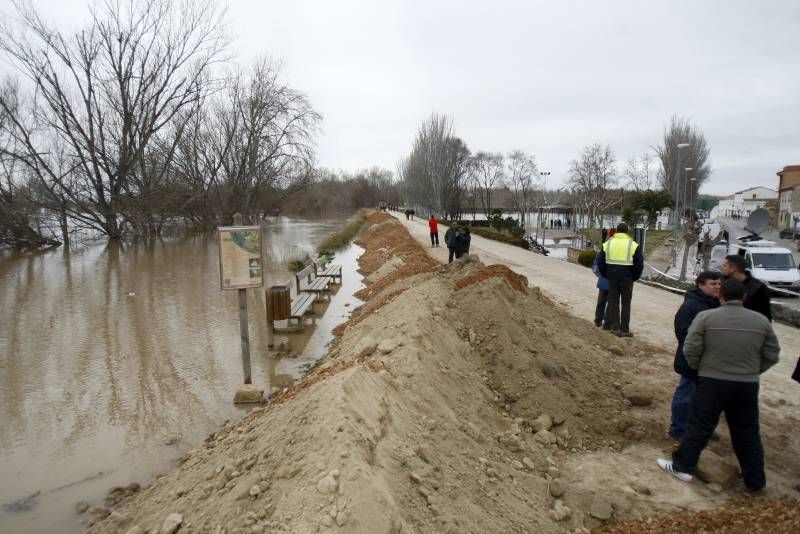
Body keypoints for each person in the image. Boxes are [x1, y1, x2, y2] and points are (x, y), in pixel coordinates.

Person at [657, 279, 780, 491]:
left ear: (720, 296)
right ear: (743, 298)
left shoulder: (707, 317)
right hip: (746, 384)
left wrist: (702, 369)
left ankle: (683, 467)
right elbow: (772, 354)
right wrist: (751, 371)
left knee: (699, 425)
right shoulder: (761, 321)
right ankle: (755, 481)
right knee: (747, 431)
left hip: (712, 381)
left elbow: (691, 349)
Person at [668, 271, 721, 440]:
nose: (717, 287)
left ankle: (700, 427)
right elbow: (683, 332)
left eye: (719, 284)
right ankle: (678, 429)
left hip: (712, 362)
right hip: (692, 360)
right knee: (685, 396)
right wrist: (700, 350)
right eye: (713, 284)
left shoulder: (718, 304)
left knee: (706, 398)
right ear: (701, 284)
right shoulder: (691, 306)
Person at [597, 222, 644, 337]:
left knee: (613, 302)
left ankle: (615, 328)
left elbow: (600, 262)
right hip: (627, 278)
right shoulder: (633, 244)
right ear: (627, 231)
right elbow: (639, 264)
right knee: (626, 303)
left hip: (612, 277)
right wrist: (634, 277)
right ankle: (624, 330)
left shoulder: (608, 243)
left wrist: (606, 274)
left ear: (616, 231)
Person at [721, 254, 771, 321]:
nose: (721, 268)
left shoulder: (759, 288)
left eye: (725, 266)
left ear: (733, 269)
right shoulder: (720, 283)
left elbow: (765, 314)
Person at [591, 254, 609, 327]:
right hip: (615, 282)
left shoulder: (604, 249)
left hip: (603, 281)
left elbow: (595, 268)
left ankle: (598, 321)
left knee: (601, 302)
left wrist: (601, 276)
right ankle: (607, 323)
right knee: (612, 304)